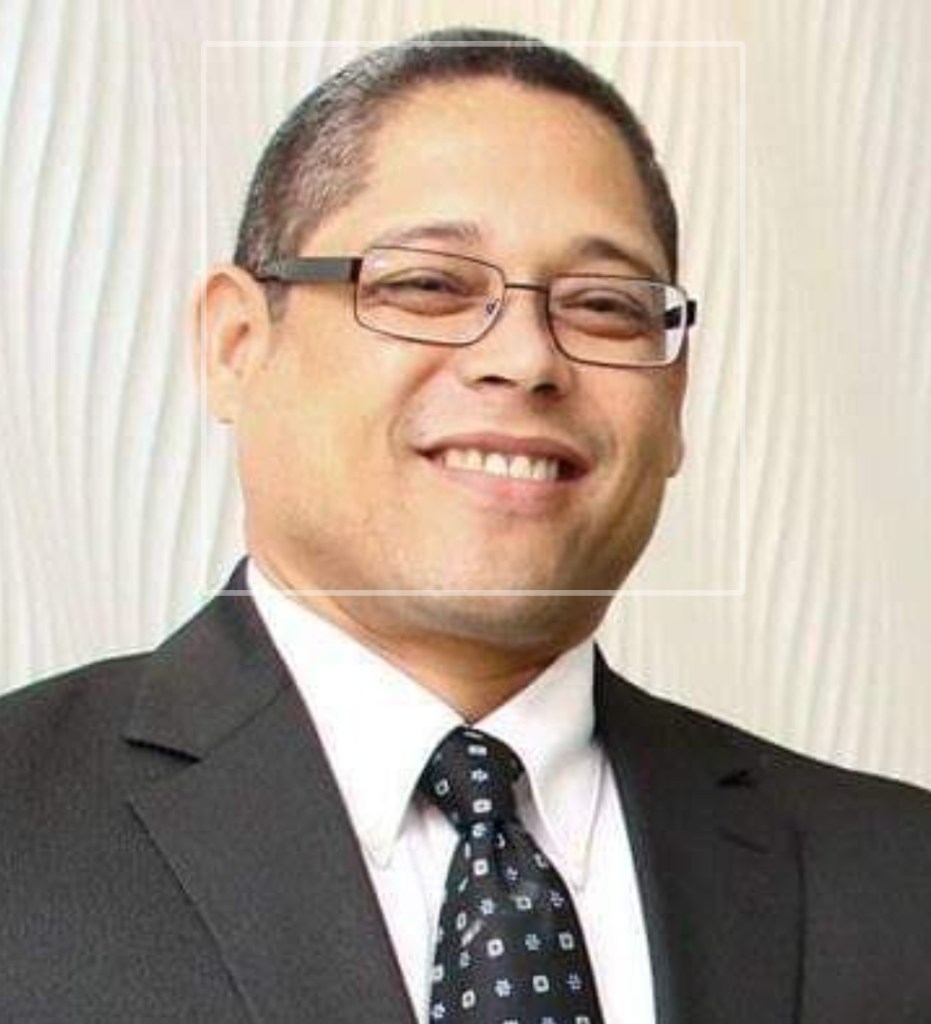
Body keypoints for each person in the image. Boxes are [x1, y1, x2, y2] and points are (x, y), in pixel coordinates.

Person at [1, 26, 929, 1024]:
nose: (525, 359)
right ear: (236, 344)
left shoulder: (895, 877)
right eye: (429, 285)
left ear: (674, 401)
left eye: (603, 305)